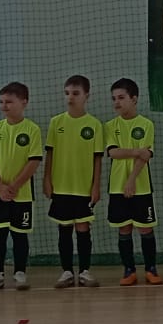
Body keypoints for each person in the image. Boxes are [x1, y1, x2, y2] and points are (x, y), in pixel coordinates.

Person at [45, 74, 105, 289]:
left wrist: (96, 186)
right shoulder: (56, 122)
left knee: (83, 228)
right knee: (64, 228)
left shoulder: (94, 125)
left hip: (83, 187)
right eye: (67, 93)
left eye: (76, 93)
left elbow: (98, 158)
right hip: (61, 186)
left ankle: (85, 271)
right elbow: (50, 154)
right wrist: (46, 179)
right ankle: (67, 271)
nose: (70, 97)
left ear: (86, 95)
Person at [0, 82, 41, 291]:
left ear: (24, 102)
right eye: (1, 102)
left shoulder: (32, 129)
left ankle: (20, 273)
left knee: (19, 234)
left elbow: (34, 161)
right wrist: (0, 186)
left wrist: (15, 186)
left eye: (9, 102)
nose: (4, 106)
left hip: (21, 193)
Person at [105, 78, 160, 287]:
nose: (116, 102)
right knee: (124, 229)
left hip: (141, 186)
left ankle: (151, 269)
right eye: (114, 98)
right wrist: (137, 150)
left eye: (121, 97)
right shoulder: (110, 126)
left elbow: (145, 157)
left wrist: (131, 180)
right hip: (117, 187)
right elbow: (113, 152)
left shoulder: (146, 124)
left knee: (145, 229)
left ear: (134, 99)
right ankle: (129, 270)